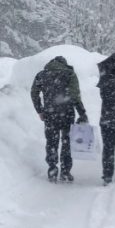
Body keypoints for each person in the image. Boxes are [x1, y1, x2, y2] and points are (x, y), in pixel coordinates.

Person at [30, 55, 88, 183]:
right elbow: (75, 96)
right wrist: (82, 113)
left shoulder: (41, 75)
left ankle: (52, 170)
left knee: (52, 142)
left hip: (50, 115)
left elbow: (34, 93)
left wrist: (40, 110)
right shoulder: (69, 74)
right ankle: (65, 172)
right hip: (67, 113)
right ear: (64, 64)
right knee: (67, 142)